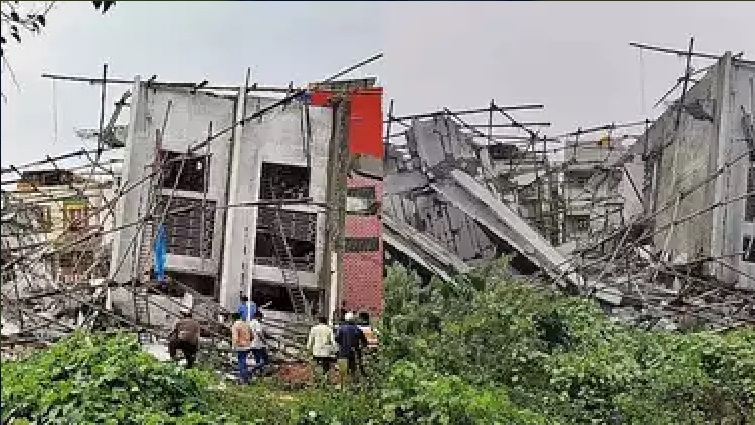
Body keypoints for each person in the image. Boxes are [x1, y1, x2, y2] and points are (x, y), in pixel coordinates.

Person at [335, 311, 367, 384]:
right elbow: (364, 341)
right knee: (353, 370)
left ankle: (343, 385)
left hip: (343, 352)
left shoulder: (341, 328)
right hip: (354, 352)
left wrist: (342, 344)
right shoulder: (357, 329)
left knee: (342, 371)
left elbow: (337, 339)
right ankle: (353, 384)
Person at [230, 312, 252, 384]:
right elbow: (252, 335)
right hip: (247, 346)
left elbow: (235, 338)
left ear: (233, 318)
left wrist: (233, 347)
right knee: (244, 362)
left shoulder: (235, 325)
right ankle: (246, 378)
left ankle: (243, 379)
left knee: (241, 363)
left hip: (240, 346)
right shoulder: (246, 324)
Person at [249, 310, 268, 375]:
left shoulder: (250, 322)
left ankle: (259, 372)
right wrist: (264, 341)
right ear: (258, 317)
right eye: (261, 318)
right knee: (265, 360)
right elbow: (259, 333)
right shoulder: (257, 323)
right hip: (258, 344)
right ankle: (252, 369)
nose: (261, 319)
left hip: (251, 344)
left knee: (257, 359)